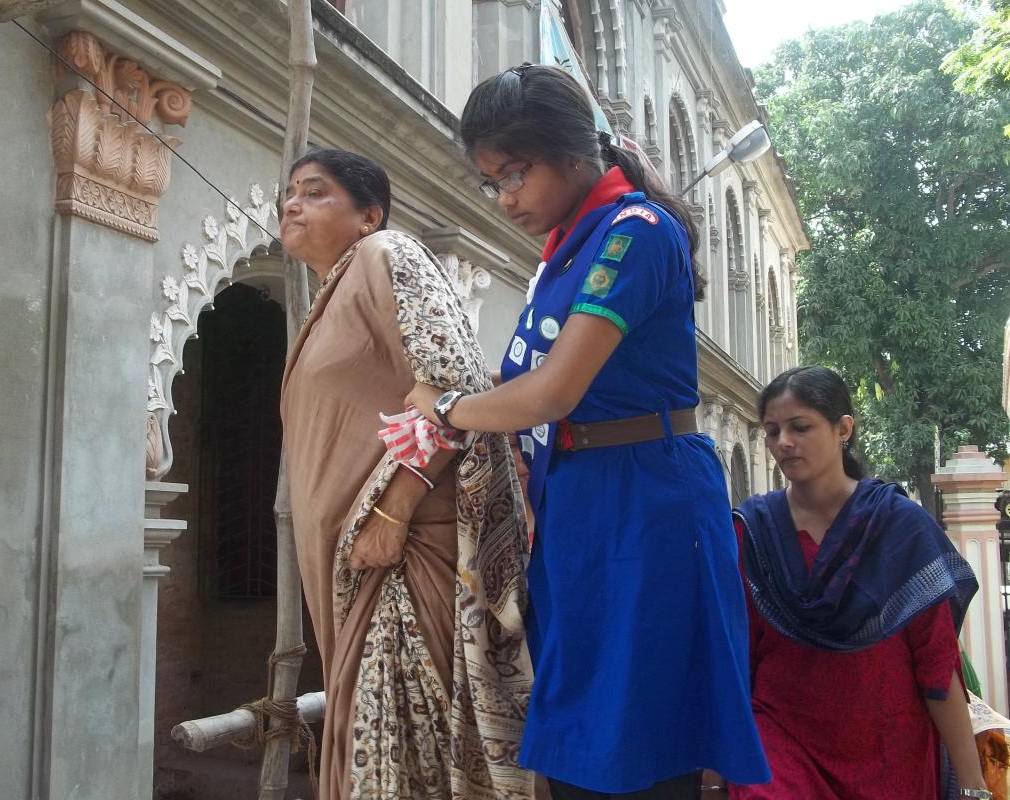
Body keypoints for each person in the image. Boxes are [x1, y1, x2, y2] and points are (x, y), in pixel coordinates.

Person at [407, 64, 770, 800]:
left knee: (637, 744)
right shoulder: (563, 254)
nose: (504, 196)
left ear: (572, 153)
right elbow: (517, 395)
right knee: (581, 740)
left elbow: (551, 391)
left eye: (514, 172)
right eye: (490, 181)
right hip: (579, 505)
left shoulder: (633, 233)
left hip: (644, 503)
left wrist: (441, 409)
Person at [278, 148, 534, 800]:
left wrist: (391, 513)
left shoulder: (384, 253)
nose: (292, 204)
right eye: (290, 193)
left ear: (369, 215)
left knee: (392, 771)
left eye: (314, 192)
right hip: (353, 571)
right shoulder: (332, 292)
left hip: (400, 560)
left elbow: (457, 379)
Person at [725, 365, 987, 800]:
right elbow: (735, 654)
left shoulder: (899, 526)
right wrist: (718, 769)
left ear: (844, 427)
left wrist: (973, 786)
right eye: (772, 431)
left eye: (799, 427)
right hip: (781, 734)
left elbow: (938, 662)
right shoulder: (752, 531)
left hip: (889, 747)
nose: (783, 443)